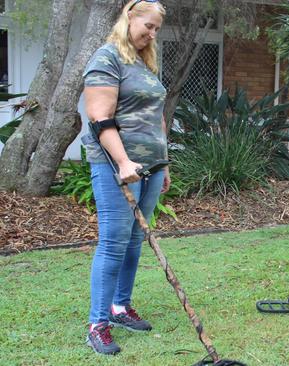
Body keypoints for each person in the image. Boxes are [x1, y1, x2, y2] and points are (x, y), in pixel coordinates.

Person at [81, 0, 169, 355]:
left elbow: (156, 116)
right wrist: (122, 162)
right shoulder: (106, 58)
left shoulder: (144, 65)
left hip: (150, 166)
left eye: (156, 30)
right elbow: (100, 117)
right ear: (129, 18)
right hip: (116, 166)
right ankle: (97, 323)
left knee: (134, 241)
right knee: (114, 242)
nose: (151, 34)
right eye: (147, 26)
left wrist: (164, 164)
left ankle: (120, 307)